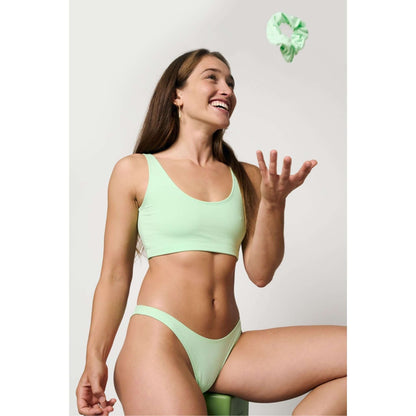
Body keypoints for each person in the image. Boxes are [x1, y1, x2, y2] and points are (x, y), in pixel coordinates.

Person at [76, 48, 347, 416]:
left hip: (230, 348)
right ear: (177, 95)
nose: (227, 90)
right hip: (159, 345)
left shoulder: (247, 176)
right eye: (212, 78)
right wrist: (95, 359)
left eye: (231, 83)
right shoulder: (135, 170)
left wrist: (273, 204)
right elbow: (114, 275)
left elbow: (261, 273)